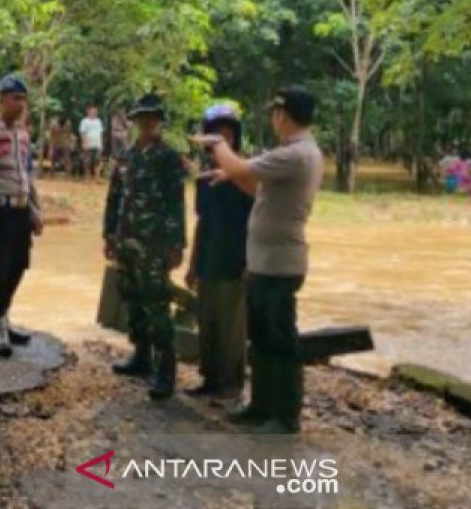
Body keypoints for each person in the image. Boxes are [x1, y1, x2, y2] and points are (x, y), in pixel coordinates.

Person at [193, 85, 322, 435]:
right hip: (266, 262)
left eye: (274, 113)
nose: (272, 119)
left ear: (283, 114)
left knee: (280, 341)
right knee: (263, 340)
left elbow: (238, 164)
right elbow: (256, 186)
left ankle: (285, 415)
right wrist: (230, 174)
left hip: (280, 263)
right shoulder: (294, 153)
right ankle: (262, 406)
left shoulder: (295, 154)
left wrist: (216, 144)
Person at [103, 94, 187, 401]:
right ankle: (141, 356)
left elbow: (177, 204)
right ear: (135, 121)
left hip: (155, 245)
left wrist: (177, 245)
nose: (147, 122)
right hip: (126, 238)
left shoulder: (169, 158)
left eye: (152, 117)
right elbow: (114, 197)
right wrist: (108, 235)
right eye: (142, 117)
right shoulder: (126, 156)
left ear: (160, 121)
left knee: (157, 303)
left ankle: (166, 370)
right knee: (133, 298)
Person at [0, 75, 45, 357]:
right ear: (1, 100)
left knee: (17, 267)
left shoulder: (24, 135)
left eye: (24, 99)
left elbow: (28, 175)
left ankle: (3, 318)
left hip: (20, 209)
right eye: (16, 98)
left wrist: (36, 211)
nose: (21, 104)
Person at [185, 104, 254, 400]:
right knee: (208, 323)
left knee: (232, 329)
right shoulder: (204, 180)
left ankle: (231, 384)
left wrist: (250, 263)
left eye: (227, 134)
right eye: (216, 135)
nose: (221, 140)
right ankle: (210, 379)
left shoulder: (247, 177)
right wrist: (192, 265)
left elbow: (255, 225)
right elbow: (201, 222)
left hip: (235, 261)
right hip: (208, 260)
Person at [79, 105, 105, 181]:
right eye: (93, 111)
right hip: (88, 143)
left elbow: (101, 133)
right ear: (88, 112)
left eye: (95, 111)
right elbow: (83, 133)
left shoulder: (99, 121)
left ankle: (97, 177)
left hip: (97, 143)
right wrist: (84, 142)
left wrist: (101, 144)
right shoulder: (84, 121)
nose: (94, 113)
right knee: (87, 160)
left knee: (97, 160)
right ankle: (87, 176)